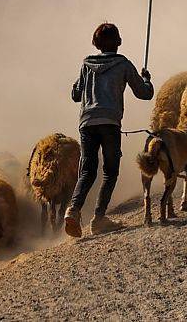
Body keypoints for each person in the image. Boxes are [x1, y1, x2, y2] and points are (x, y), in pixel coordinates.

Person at [63, 22, 153, 237]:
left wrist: (82, 82)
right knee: (110, 172)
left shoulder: (86, 64)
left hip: (87, 123)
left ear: (96, 44)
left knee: (87, 171)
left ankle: (72, 211)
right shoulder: (123, 64)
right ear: (119, 42)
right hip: (110, 123)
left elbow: (76, 95)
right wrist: (147, 79)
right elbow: (144, 93)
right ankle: (99, 219)